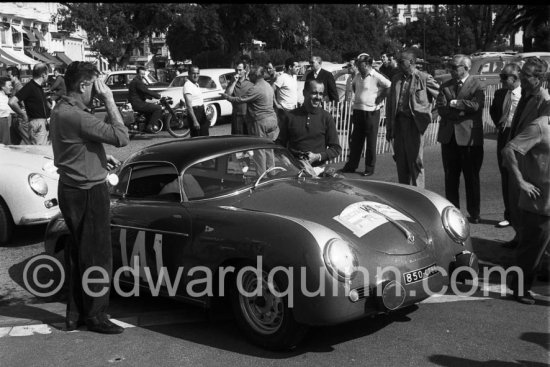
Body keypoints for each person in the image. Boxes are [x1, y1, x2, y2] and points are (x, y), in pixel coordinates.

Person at [49, 61, 129, 333]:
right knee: (97, 255)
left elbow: (78, 144)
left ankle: (75, 314)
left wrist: (99, 158)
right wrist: (109, 99)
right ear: (83, 85)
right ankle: (96, 315)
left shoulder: (61, 109)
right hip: (87, 191)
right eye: (94, 86)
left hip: (70, 186)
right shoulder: (78, 117)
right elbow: (122, 136)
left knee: (77, 252)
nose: (96, 92)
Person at [502, 112, 550, 304]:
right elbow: (509, 149)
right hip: (539, 202)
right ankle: (520, 288)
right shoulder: (540, 126)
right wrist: (521, 181)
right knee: (531, 250)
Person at [504, 57, 550, 249]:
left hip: (530, 165)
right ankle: (520, 240)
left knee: (532, 214)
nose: (521, 78)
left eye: (526, 75)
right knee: (515, 205)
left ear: (538, 78)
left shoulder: (544, 101)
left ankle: (534, 258)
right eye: (521, 74)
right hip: (516, 158)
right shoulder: (525, 94)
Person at [436, 54, 485, 224]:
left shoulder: (476, 84)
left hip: (469, 138)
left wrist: (455, 103)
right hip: (449, 138)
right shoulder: (445, 85)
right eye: (451, 66)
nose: (452, 70)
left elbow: (476, 105)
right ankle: (453, 211)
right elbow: (441, 108)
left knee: (471, 177)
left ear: (466, 68)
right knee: (450, 177)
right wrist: (462, 109)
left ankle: (474, 212)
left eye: (455, 67)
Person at [386, 51, 439, 188]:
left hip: (414, 124)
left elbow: (442, 97)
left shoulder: (424, 78)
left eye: (402, 62)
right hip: (398, 124)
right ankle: (405, 192)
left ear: (412, 62)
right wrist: (389, 128)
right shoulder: (396, 78)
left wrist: (430, 115)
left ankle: (419, 194)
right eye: (398, 61)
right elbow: (390, 104)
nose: (398, 64)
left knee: (415, 161)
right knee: (400, 161)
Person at [340, 55, 391, 176]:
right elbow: (353, 87)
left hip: (371, 112)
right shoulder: (357, 76)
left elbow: (389, 85)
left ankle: (369, 168)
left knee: (371, 141)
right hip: (358, 111)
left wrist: (380, 97)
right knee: (356, 140)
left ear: (367, 64)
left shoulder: (376, 76)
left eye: (360, 64)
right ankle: (351, 165)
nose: (357, 65)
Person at [222, 66, 279, 172]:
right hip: (272, 120)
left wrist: (227, 97)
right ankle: (272, 172)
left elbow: (240, 100)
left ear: (254, 76)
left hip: (261, 121)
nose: (249, 77)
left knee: (259, 150)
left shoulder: (256, 88)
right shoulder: (268, 85)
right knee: (269, 148)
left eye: (250, 75)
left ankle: (261, 176)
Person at [276, 80, 342, 170]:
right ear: (304, 93)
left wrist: (318, 156)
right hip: (293, 170)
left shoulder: (327, 118)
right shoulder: (290, 116)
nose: (318, 97)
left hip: (318, 171)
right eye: (314, 93)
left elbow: (336, 149)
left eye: (321, 94)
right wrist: (284, 158)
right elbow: (279, 144)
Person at [489, 63, 522, 230]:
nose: (501, 81)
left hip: (520, 137)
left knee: (519, 175)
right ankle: (509, 215)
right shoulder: (500, 93)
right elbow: (493, 110)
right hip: (504, 135)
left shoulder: (525, 95)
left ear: (514, 78)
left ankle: (521, 216)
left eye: (504, 78)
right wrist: (499, 125)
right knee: (505, 175)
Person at [8, 63, 51, 145]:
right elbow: (12, 102)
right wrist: (22, 113)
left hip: (41, 123)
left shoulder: (38, 86)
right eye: (47, 74)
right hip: (37, 124)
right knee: (40, 154)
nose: (48, 76)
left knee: (42, 152)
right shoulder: (30, 87)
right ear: (43, 75)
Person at [128, 66, 162, 134]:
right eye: (141, 74)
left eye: (144, 74)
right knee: (158, 108)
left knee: (150, 108)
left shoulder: (135, 81)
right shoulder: (138, 82)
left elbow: (142, 92)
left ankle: (146, 125)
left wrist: (151, 97)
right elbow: (146, 90)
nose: (143, 76)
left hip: (136, 103)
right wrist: (158, 96)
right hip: (139, 104)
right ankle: (150, 126)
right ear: (137, 73)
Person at [225, 61, 254, 135]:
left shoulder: (250, 84)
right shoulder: (232, 83)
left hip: (247, 116)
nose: (238, 72)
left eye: (240, 70)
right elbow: (227, 95)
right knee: (237, 138)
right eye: (236, 70)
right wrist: (234, 82)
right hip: (236, 116)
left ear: (245, 70)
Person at [183, 65, 209, 137]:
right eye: (193, 73)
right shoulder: (188, 85)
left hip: (201, 112)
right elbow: (189, 106)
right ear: (189, 74)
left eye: (197, 73)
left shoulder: (195, 84)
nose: (196, 75)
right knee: (197, 140)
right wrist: (195, 121)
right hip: (195, 113)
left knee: (205, 137)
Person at [272, 57, 300, 123]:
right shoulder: (282, 78)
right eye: (296, 66)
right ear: (290, 67)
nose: (298, 68)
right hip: (284, 111)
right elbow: (271, 90)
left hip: (294, 110)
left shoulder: (294, 77)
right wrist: (276, 104)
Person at [6, 66, 24, 144]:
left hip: (19, 119)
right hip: (15, 118)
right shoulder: (14, 86)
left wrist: (21, 113)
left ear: (15, 76)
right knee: (15, 143)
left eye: (9, 76)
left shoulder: (19, 87)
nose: (8, 78)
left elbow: (24, 104)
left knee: (25, 143)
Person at [0, 77, 14, 144]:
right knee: (4, 144)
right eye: (9, 85)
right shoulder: (1, 97)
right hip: (2, 121)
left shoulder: (4, 96)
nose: (11, 87)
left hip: (4, 121)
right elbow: (7, 109)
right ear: (2, 87)